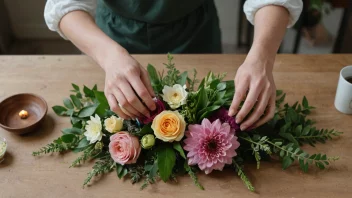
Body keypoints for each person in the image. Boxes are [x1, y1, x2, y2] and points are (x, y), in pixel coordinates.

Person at [44, 0, 303, 131]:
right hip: (110, 37)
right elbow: (62, 5)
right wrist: (110, 57)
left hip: (196, 34)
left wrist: (262, 58)